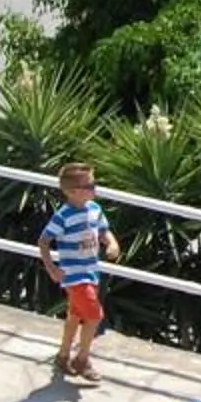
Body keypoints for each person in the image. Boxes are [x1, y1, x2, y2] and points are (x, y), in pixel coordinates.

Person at [42, 161, 117, 384]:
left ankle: (63, 356)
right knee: (94, 316)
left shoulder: (94, 210)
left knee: (75, 316)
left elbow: (103, 231)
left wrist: (112, 244)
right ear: (73, 191)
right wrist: (52, 268)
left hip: (91, 270)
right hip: (75, 275)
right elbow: (44, 241)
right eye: (90, 185)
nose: (95, 189)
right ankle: (82, 359)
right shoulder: (63, 216)